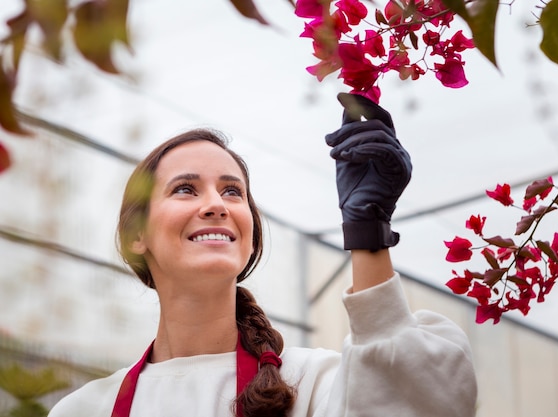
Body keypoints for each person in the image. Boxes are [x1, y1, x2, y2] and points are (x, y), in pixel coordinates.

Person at [48, 93, 477, 417]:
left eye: (232, 191)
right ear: (135, 235)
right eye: (185, 188)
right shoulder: (84, 410)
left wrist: (368, 230)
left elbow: (411, 402)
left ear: (249, 237)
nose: (217, 204)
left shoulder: (315, 384)